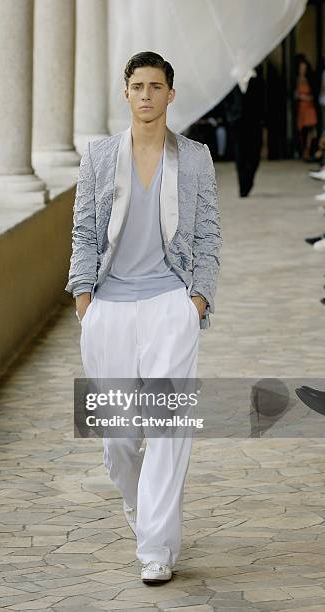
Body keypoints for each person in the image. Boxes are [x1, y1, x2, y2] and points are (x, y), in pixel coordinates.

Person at [65, 51, 222, 584]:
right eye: (138, 86)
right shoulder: (99, 156)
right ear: (126, 93)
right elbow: (84, 231)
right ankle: (141, 508)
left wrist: (196, 300)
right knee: (118, 436)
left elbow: (207, 236)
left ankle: (156, 546)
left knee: (168, 428)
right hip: (108, 306)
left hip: (168, 306)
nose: (147, 95)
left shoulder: (196, 158)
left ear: (171, 94)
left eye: (157, 86)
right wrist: (84, 296)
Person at [221, 65, 265, 197]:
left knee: (254, 154)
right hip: (237, 122)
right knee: (240, 153)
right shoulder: (231, 79)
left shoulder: (256, 78)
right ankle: (242, 186)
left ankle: (249, 180)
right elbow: (225, 100)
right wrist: (230, 116)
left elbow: (263, 100)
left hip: (254, 122)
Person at [295, 55, 318, 161]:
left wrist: (304, 97)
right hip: (301, 108)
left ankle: (307, 151)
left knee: (309, 130)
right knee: (301, 130)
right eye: (301, 68)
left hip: (309, 107)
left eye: (304, 68)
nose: (302, 70)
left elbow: (313, 94)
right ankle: (302, 150)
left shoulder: (310, 79)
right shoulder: (296, 80)